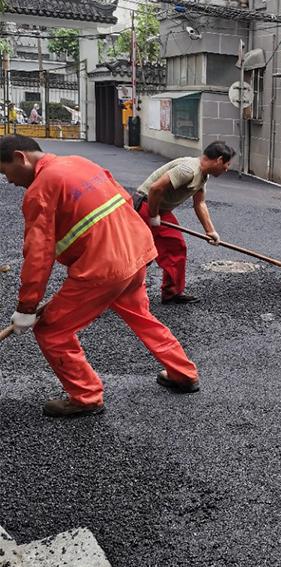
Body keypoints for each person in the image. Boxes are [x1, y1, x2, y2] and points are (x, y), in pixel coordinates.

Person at [1, 135, 200, 418]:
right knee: (141, 315)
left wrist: (26, 307)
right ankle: (183, 373)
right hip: (135, 252)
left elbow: (38, 254)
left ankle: (86, 396)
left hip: (103, 267)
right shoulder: (80, 163)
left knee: (51, 330)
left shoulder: (40, 189)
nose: (8, 180)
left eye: (4, 171)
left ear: (20, 157)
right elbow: (125, 200)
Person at [134, 141, 235, 305]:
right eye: (227, 164)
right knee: (144, 253)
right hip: (147, 205)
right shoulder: (188, 170)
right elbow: (155, 189)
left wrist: (211, 231)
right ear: (219, 160)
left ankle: (171, 292)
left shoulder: (203, 175)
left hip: (159, 209)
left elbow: (199, 203)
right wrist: (153, 216)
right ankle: (120, 290)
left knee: (174, 247)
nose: (227, 169)